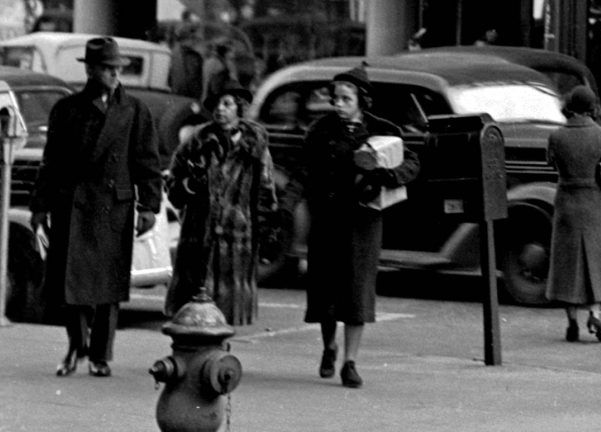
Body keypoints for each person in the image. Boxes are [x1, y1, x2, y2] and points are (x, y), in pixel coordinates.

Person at [36, 36, 164, 377]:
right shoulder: (67, 109)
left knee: (109, 287)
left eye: (117, 68)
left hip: (113, 207)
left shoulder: (135, 110)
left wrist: (149, 206)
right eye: (107, 68)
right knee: (71, 284)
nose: (114, 74)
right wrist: (40, 207)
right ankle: (77, 346)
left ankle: (100, 355)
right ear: (91, 70)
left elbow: (147, 162)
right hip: (73, 205)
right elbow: (51, 163)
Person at [298, 65, 417, 388]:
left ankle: (350, 362)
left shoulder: (383, 129)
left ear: (361, 100)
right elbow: (304, 171)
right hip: (327, 219)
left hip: (363, 223)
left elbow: (411, 161)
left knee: (357, 293)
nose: (338, 104)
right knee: (325, 293)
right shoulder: (320, 130)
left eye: (345, 99)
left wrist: (389, 175)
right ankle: (329, 346)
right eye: (335, 98)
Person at [164, 87, 279, 325]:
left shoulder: (254, 146)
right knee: (193, 312)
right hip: (198, 234)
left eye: (227, 104)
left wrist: (267, 231)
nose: (220, 110)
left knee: (226, 312)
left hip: (236, 235)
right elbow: (173, 185)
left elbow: (265, 191)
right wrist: (191, 184)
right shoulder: (197, 141)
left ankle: (222, 343)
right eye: (216, 104)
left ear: (239, 108)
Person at [547, 84, 601, 343]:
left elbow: (551, 163)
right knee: (596, 264)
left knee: (568, 265)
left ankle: (571, 322)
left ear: (570, 106)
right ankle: (595, 315)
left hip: (567, 203)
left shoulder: (556, 136)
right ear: (592, 108)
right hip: (595, 204)